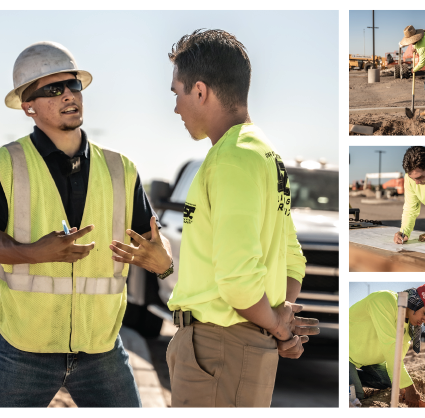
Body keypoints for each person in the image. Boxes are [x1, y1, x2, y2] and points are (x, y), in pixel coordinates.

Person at [0, 41, 172, 407]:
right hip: (23, 351)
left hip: (102, 351)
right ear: (27, 105)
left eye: (73, 85)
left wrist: (164, 263)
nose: (68, 95)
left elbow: (154, 240)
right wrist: (32, 253)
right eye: (52, 88)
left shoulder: (121, 169)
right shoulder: (4, 164)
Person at [162, 29, 317, 408]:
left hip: (219, 351)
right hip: (235, 348)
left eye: (177, 93)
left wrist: (278, 323)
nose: (176, 108)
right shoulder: (264, 153)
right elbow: (291, 258)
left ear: (200, 91)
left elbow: (238, 279)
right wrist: (278, 322)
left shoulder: (231, 159)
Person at [349, 283, 425, 407]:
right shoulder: (384, 300)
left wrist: (400, 386)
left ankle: (352, 377)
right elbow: (390, 346)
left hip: (365, 361)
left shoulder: (409, 328)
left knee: (391, 380)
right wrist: (410, 388)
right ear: (416, 302)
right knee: (355, 396)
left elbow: (395, 360)